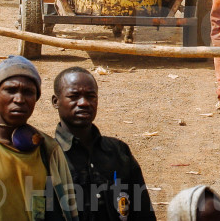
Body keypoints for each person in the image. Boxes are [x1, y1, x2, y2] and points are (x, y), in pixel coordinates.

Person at [0, 56, 77, 220]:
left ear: (35, 99)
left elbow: (69, 210)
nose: (19, 99)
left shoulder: (49, 150)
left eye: (28, 92)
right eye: (11, 90)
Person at [52, 67, 154, 221]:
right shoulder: (46, 157)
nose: (84, 103)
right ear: (56, 101)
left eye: (91, 96)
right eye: (74, 96)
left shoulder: (118, 152)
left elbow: (143, 213)